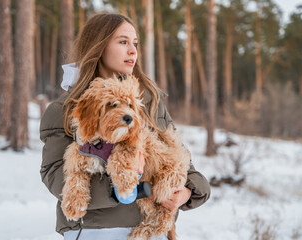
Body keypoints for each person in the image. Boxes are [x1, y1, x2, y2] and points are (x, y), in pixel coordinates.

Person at [40, 12, 210, 240]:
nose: (133, 51)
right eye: (123, 42)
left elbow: (182, 162)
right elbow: (53, 173)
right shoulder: (66, 109)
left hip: (150, 232)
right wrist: (121, 186)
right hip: (96, 231)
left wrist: (186, 192)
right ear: (98, 46)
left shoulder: (150, 103)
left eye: (135, 43)